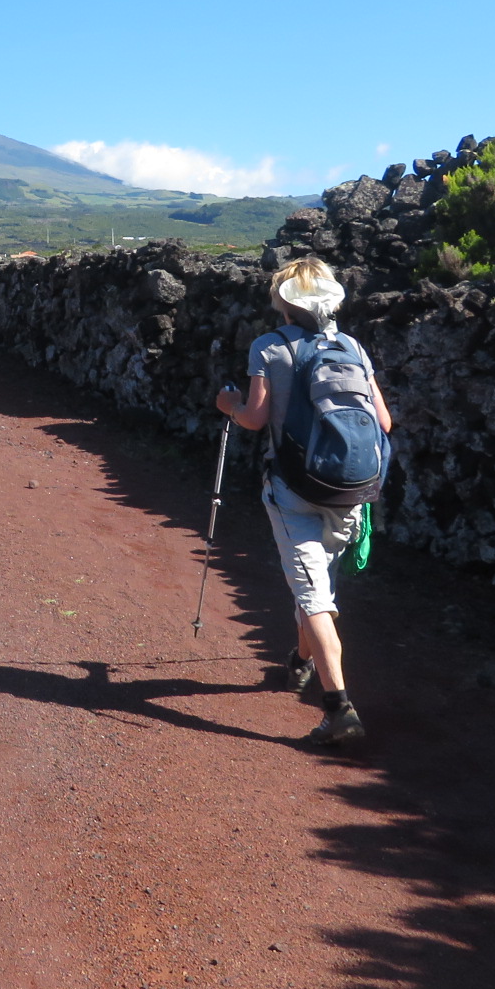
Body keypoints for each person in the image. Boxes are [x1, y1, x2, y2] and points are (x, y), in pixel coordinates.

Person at [214, 256, 392, 745]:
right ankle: (297, 664)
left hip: (293, 490)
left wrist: (226, 403)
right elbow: (385, 423)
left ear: (284, 302)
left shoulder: (268, 347)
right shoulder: (351, 346)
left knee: (312, 595)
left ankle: (339, 709)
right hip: (351, 492)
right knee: (315, 585)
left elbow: (253, 418)